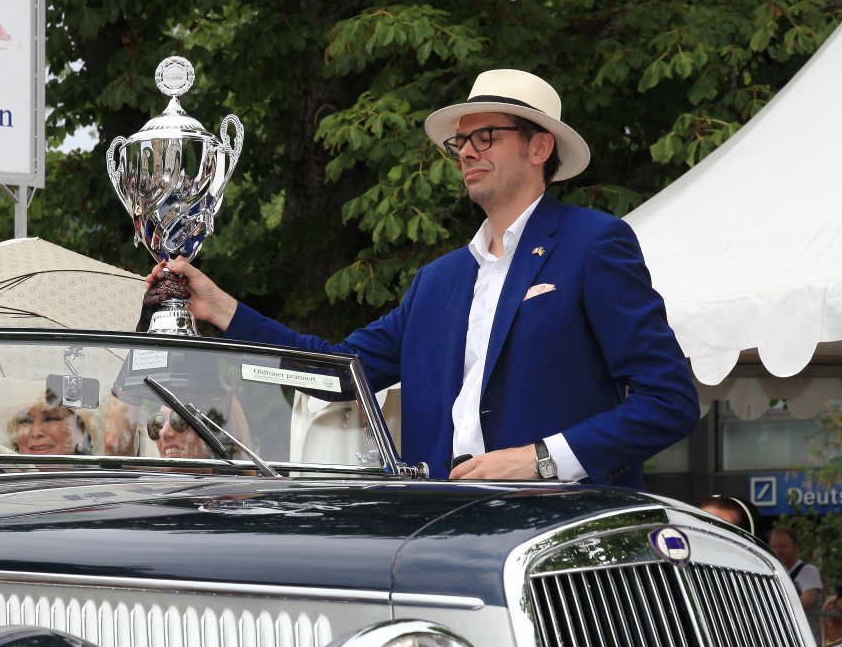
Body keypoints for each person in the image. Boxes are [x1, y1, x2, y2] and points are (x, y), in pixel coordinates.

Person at [148, 68, 698, 486]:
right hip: (441, 528)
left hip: (558, 534)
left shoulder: (594, 243)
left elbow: (669, 401)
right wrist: (222, 310)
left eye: (486, 136)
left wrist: (542, 460)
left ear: (540, 146)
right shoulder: (437, 281)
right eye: (461, 142)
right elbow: (337, 374)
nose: (466, 153)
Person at [10, 393, 92, 455]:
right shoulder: (2, 470)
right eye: (26, 421)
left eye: (50, 418)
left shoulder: (98, 471)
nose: (36, 433)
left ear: (80, 431)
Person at [768, 526, 823, 613]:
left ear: (795, 548)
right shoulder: (769, 573)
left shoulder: (808, 571)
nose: (778, 551)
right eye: (774, 547)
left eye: (783, 547)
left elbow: (809, 602)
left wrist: (772, 602)